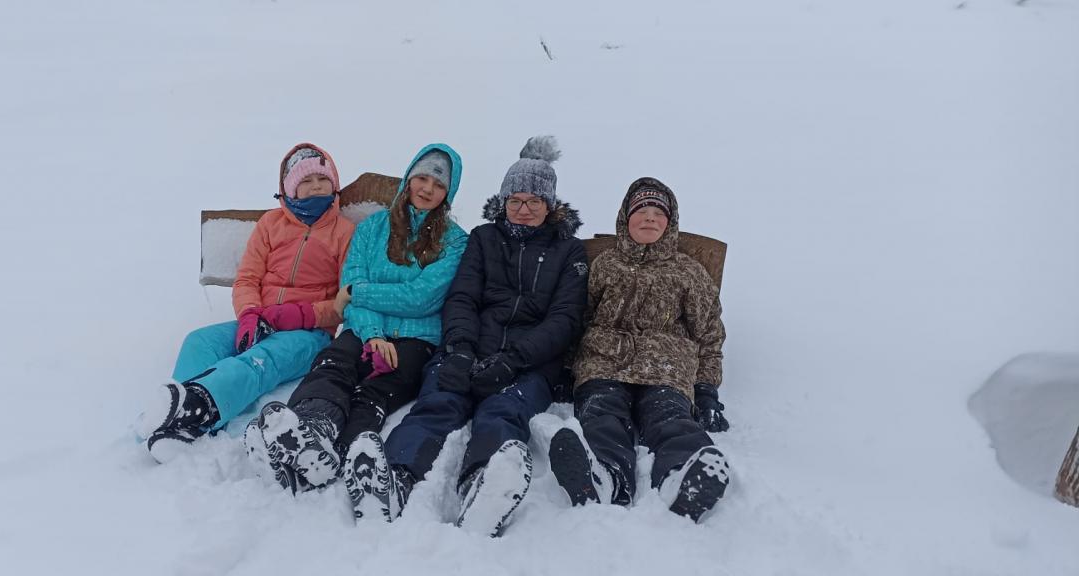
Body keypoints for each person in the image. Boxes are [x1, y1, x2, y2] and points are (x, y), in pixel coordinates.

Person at [343, 136, 590, 537]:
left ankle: (483, 486)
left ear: (550, 205)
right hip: (469, 346)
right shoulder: (484, 239)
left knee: (503, 411)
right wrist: (459, 349)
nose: (523, 209)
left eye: (534, 201)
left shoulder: (569, 252)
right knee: (437, 403)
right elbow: (462, 298)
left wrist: (513, 360)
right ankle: (393, 478)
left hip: (527, 362)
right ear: (503, 202)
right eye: (515, 200)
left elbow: (564, 320)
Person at [243, 144, 469, 494]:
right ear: (408, 179)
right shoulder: (373, 228)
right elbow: (352, 278)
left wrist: (357, 293)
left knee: (374, 392)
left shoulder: (454, 242)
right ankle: (312, 430)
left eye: (438, 185)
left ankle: (336, 454)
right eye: (421, 178)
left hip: (416, 338)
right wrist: (372, 333)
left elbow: (420, 298)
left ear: (448, 193)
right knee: (332, 367)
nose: (427, 189)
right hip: (363, 328)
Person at [137, 143, 355, 463]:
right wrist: (250, 314)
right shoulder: (271, 223)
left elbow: (345, 300)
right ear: (289, 188)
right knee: (199, 342)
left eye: (323, 180)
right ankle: (175, 415)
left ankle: (198, 417)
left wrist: (302, 314)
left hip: (310, 334)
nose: (316, 187)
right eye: (306, 181)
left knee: (256, 361)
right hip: (261, 320)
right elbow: (247, 278)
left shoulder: (345, 232)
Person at [547, 176, 731, 522]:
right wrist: (567, 368)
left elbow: (709, 334)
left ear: (670, 222)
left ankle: (682, 475)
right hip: (604, 364)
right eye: (641, 210)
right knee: (601, 416)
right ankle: (603, 476)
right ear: (625, 218)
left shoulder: (688, 272)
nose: (649, 218)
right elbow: (578, 319)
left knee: (670, 418)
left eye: (658, 213)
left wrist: (706, 389)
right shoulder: (605, 265)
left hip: (666, 368)